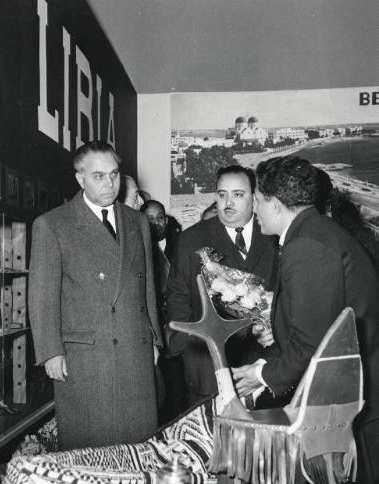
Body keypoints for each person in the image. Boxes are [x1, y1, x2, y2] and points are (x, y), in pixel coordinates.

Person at [232, 155, 379, 484]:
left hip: (350, 405)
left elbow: (312, 347)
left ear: (276, 203)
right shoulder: (317, 231)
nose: (254, 210)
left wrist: (260, 374)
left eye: (256, 201)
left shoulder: (306, 245)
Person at [29, 141, 162, 450]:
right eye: (98, 176)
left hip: (135, 347)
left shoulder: (138, 221)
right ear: (80, 178)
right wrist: (50, 351)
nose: (109, 183)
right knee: (90, 448)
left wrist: (154, 337)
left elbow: (147, 287)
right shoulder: (53, 224)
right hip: (86, 355)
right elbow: (42, 295)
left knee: (138, 446)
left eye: (114, 174)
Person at [166, 164, 278, 407]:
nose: (228, 202)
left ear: (255, 197)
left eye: (238, 195)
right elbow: (177, 296)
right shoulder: (192, 239)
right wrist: (188, 349)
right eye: (222, 194)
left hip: (266, 364)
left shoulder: (273, 235)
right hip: (208, 365)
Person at [142, 200, 186, 422]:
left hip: (177, 324)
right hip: (153, 325)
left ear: (166, 219)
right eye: (149, 219)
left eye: (159, 218)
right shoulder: (139, 247)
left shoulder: (181, 244)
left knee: (178, 383)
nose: (155, 224)